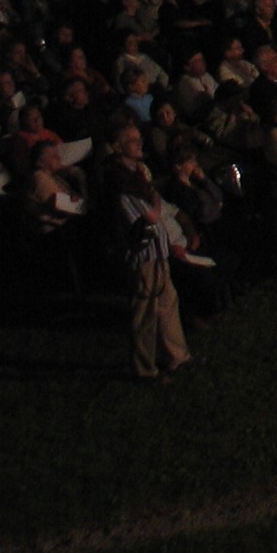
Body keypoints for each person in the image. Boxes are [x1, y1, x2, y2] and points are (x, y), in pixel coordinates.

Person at [106, 122, 191, 380]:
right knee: (145, 312)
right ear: (119, 147)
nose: (139, 143)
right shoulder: (120, 180)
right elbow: (148, 215)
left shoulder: (136, 174)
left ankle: (177, 355)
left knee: (167, 303)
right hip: (143, 253)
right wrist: (152, 205)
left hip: (158, 250)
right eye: (132, 140)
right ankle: (145, 367)